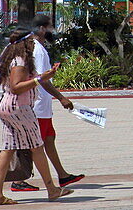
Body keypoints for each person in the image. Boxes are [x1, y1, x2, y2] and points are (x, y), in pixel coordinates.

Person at [0, 29, 74, 206]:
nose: (33, 43)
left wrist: (46, 76)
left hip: (7, 106)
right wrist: (38, 80)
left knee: (8, 148)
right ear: (25, 44)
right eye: (30, 41)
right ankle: (52, 189)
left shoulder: (13, 59)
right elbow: (16, 87)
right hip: (18, 108)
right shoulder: (20, 61)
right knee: (37, 147)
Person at [11, 14, 85, 193]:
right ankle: (20, 180)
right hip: (37, 105)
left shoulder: (37, 48)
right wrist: (61, 97)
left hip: (42, 105)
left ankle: (62, 175)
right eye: (51, 26)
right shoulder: (37, 49)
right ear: (42, 29)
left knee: (49, 138)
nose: (53, 30)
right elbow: (42, 79)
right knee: (33, 144)